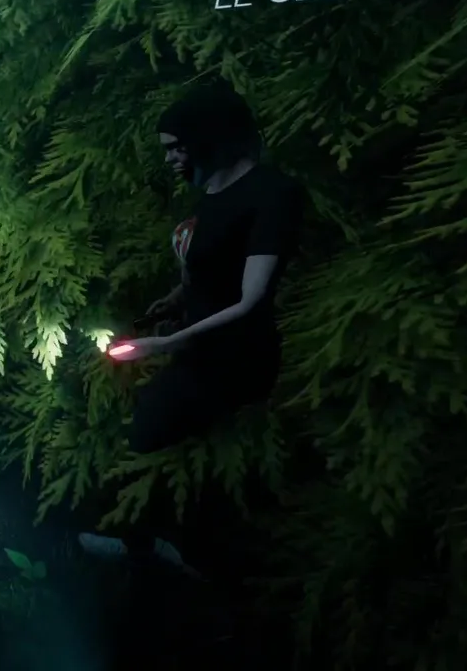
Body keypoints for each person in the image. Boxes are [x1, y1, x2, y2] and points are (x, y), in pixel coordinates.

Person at [80, 83, 306, 569]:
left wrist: (166, 343)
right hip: (200, 347)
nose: (170, 159)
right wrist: (175, 300)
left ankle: (173, 549)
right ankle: (165, 542)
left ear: (209, 139)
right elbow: (211, 268)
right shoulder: (211, 194)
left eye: (177, 148)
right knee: (155, 426)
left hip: (236, 357)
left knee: (153, 426)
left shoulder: (274, 195)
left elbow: (249, 300)